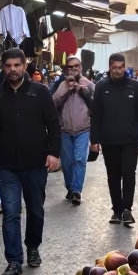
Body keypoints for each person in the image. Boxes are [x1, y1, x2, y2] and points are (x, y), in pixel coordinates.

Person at [0, 48, 61, 275]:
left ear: (25, 65)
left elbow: (53, 124)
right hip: (7, 165)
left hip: (36, 163)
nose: (12, 70)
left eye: (17, 65)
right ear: (3, 67)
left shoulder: (40, 92)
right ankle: (14, 261)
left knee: (36, 210)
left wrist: (54, 153)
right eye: (8, 66)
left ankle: (33, 247)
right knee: (10, 213)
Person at [90, 53, 138, 225]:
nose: (118, 71)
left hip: (130, 140)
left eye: (121, 67)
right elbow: (96, 115)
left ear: (125, 67)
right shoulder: (101, 87)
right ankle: (116, 210)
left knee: (129, 173)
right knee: (113, 175)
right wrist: (94, 140)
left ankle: (127, 209)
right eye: (115, 67)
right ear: (110, 67)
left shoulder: (134, 86)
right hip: (109, 140)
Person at [54, 56, 94, 206]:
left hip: (83, 129)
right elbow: (53, 104)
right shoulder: (61, 85)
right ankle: (70, 187)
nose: (74, 69)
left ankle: (77, 190)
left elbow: (96, 106)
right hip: (65, 130)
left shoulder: (88, 84)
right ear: (66, 69)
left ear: (81, 68)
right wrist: (67, 91)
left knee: (79, 159)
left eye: (76, 66)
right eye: (70, 67)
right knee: (67, 162)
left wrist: (82, 91)